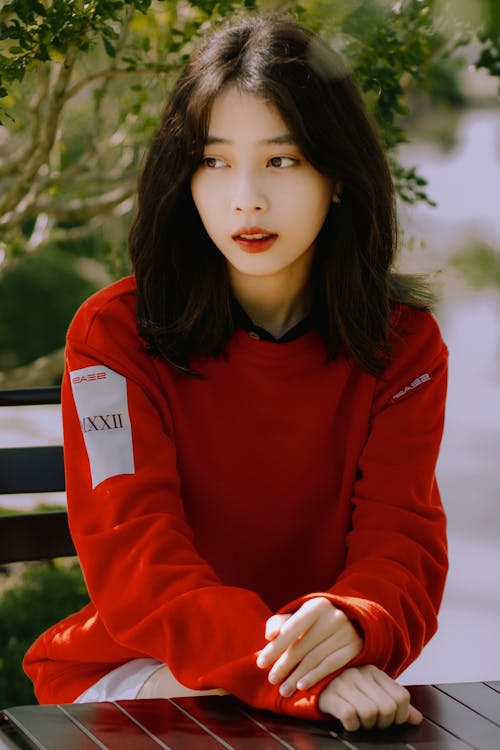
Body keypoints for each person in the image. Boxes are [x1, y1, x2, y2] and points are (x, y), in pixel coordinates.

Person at [24, 12, 448, 732]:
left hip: (321, 678)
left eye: (281, 160)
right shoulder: (112, 338)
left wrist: (354, 618)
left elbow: (400, 541)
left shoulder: (405, 345)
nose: (245, 197)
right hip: (137, 674)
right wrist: (289, 672)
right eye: (214, 161)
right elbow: (138, 562)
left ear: (339, 176)